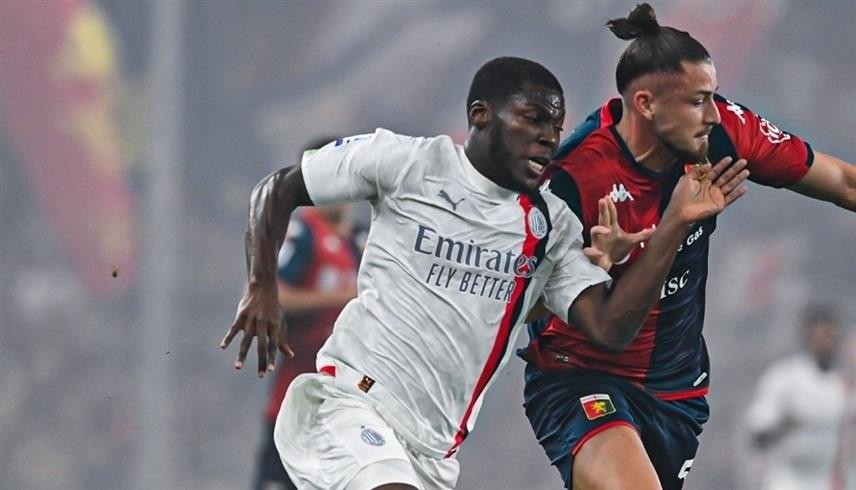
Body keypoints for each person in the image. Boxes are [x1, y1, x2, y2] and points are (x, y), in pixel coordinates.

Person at [221, 56, 748, 490]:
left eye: (555, 128)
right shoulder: (407, 163)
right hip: (353, 404)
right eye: (533, 120)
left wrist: (674, 225)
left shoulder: (551, 225)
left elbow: (609, 329)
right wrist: (262, 287)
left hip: (434, 453)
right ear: (480, 114)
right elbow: (278, 188)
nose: (547, 139)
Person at [520, 4, 856, 490]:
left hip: (674, 389)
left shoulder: (722, 133)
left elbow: (844, 182)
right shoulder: (574, 179)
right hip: (581, 374)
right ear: (646, 104)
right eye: (698, 101)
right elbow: (588, 324)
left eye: (713, 97)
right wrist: (668, 226)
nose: (714, 114)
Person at [253, 140, 360, 490]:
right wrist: (345, 297)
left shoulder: (364, 241)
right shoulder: (304, 233)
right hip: (297, 403)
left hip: (351, 405)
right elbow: (274, 296)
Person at [745, 304, 849, 490]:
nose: (826, 342)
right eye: (821, 335)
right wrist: (783, 426)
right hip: (786, 480)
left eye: (831, 336)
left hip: (825, 482)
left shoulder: (842, 385)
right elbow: (756, 435)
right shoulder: (785, 377)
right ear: (808, 336)